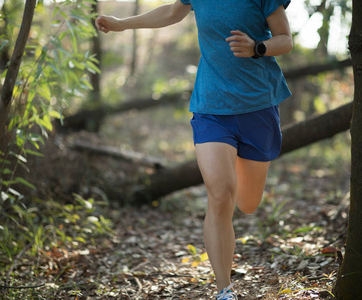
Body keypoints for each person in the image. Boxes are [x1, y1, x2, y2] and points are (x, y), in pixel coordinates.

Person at [96, 1, 292, 299]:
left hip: (258, 107)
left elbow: (285, 40)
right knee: (220, 194)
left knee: (247, 203)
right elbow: (173, 12)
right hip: (211, 107)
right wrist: (122, 23)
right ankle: (224, 290)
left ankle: (239, 168)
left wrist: (257, 48)